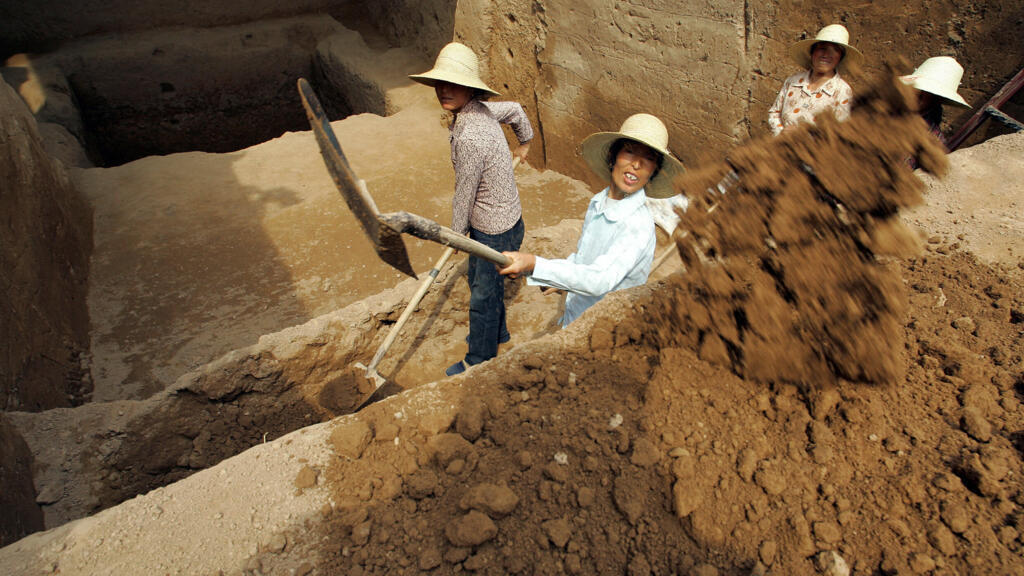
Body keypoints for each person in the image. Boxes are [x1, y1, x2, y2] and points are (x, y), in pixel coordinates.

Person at [409, 42, 534, 377]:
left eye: (454, 84)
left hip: (492, 231)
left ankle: (479, 359)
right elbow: (518, 110)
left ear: (470, 88)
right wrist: (525, 142)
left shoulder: (469, 137)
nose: (445, 90)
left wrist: (455, 236)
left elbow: (463, 194)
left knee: (481, 295)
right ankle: (500, 334)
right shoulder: (483, 110)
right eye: (441, 83)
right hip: (512, 221)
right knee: (490, 285)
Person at [498, 114, 685, 327]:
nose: (637, 164)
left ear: (653, 172)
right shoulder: (599, 201)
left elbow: (599, 280)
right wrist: (551, 277)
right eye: (630, 151)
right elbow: (584, 259)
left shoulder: (638, 226)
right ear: (613, 157)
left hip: (603, 328)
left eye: (649, 158)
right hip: (576, 314)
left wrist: (534, 263)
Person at [768, 24, 863, 136]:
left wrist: (805, 136)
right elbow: (774, 113)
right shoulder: (793, 82)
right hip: (780, 148)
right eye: (822, 48)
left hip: (813, 152)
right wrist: (781, 133)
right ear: (812, 53)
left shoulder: (842, 90)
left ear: (840, 58)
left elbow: (839, 131)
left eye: (835, 50)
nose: (826, 55)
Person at [902, 56, 971, 152]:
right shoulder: (885, 109)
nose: (916, 93)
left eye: (925, 91)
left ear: (937, 98)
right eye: (916, 87)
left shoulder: (933, 141)